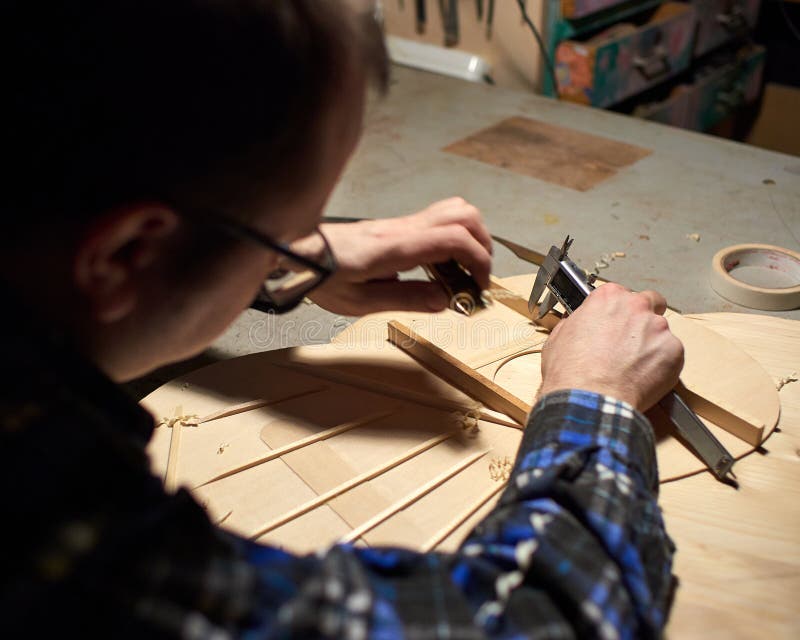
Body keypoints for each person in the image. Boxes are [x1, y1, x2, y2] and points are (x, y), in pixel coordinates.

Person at [1, 1, 684, 638]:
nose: (308, 244)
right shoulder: (53, 525)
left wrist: (281, 260)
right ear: (126, 256)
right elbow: (540, 619)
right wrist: (595, 399)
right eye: (290, 231)